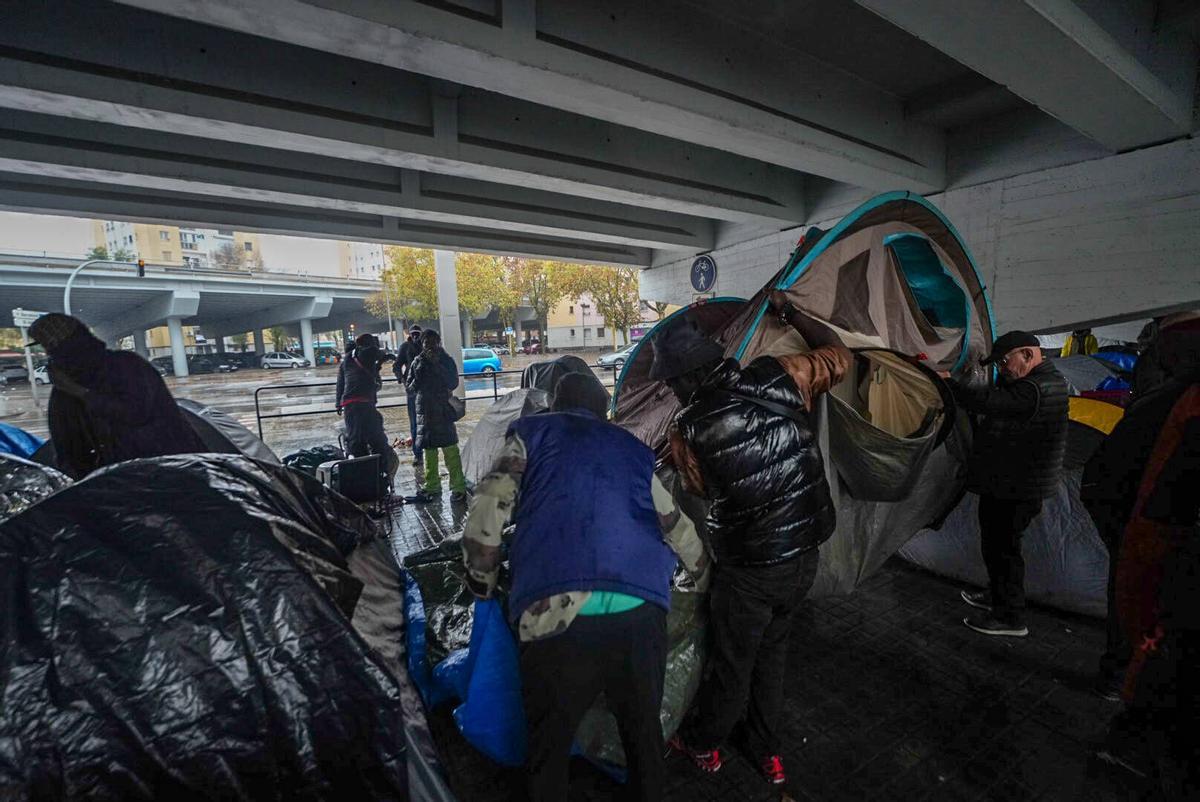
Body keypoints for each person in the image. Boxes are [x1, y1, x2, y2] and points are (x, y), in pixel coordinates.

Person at [461, 372, 710, 802]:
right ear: (605, 413)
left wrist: (482, 585)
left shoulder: (532, 437)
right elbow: (677, 527)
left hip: (554, 614)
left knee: (548, 747)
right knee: (643, 738)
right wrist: (706, 582)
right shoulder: (630, 451)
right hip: (639, 613)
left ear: (554, 406)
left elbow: (485, 517)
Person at [657, 293, 851, 786]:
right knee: (773, 653)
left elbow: (701, 489)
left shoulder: (688, 427)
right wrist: (792, 314)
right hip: (805, 553)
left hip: (751, 569)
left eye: (671, 383)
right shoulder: (779, 373)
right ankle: (767, 752)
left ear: (683, 380)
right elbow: (841, 357)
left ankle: (704, 744)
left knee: (733, 663)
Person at [1082, 311, 1200, 699]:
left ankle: (1126, 677)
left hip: (1150, 521)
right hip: (1137, 513)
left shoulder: (1182, 401)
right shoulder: (1174, 394)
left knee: (1139, 597)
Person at [945, 330, 1068, 637]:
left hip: (1017, 488)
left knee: (1004, 550)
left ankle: (1010, 617)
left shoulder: (1036, 389)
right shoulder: (1042, 381)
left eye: (1004, 362)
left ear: (1027, 355)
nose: (1002, 369)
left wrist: (948, 382)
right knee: (999, 546)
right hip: (1014, 484)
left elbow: (989, 402)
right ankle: (998, 596)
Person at [26, 313, 207, 479]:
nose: (49, 354)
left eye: (51, 347)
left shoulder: (125, 365)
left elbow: (136, 413)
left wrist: (80, 392)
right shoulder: (64, 386)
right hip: (109, 481)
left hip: (166, 471)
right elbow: (67, 440)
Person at [406, 329, 468, 502]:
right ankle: (432, 486)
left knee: (450, 450)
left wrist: (438, 367)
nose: (429, 346)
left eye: (433, 342)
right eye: (426, 343)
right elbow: (410, 388)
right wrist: (418, 375)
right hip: (424, 413)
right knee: (429, 453)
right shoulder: (417, 362)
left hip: (442, 410)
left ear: (438, 342)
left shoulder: (446, 360)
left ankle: (458, 487)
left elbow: (453, 382)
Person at [336, 333, 399, 485]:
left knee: (357, 441)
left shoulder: (346, 361)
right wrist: (387, 355)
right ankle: (380, 477)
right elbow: (380, 353)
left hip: (349, 405)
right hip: (363, 404)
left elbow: (340, 383)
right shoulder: (367, 352)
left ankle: (363, 478)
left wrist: (338, 403)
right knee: (377, 440)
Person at [392, 325, 424, 467]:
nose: (416, 336)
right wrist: (402, 379)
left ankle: (428, 452)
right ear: (410, 335)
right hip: (412, 389)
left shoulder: (425, 345)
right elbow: (397, 365)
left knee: (428, 422)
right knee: (414, 423)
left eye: (418, 334)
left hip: (426, 389)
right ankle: (418, 454)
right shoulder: (405, 346)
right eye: (414, 334)